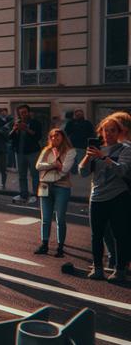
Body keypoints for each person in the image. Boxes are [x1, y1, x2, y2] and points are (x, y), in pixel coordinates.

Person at [77, 112, 131, 282]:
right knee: (96, 235)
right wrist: (87, 157)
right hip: (97, 197)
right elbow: (82, 172)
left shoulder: (125, 149)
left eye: (113, 130)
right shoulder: (96, 149)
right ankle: (98, 269)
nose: (108, 134)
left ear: (119, 132)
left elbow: (122, 170)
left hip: (118, 196)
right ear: (100, 132)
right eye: (105, 130)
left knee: (120, 234)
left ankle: (120, 270)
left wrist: (103, 157)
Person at [34, 128, 75, 257]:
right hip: (45, 184)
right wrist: (53, 164)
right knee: (45, 218)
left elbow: (64, 170)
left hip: (61, 186)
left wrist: (54, 166)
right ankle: (44, 244)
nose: (54, 139)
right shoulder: (46, 150)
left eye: (57, 136)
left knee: (60, 218)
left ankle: (60, 247)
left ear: (63, 137)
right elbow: (38, 166)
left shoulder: (70, 151)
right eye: (52, 136)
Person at [10, 105, 43, 204]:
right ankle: (23, 194)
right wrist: (15, 129)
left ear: (29, 112)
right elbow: (10, 137)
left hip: (33, 152)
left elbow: (38, 136)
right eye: (21, 113)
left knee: (34, 174)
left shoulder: (35, 123)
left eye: (25, 112)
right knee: (21, 175)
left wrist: (26, 129)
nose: (23, 115)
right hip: (20, 152)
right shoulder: (17, 123)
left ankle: (35, 195)